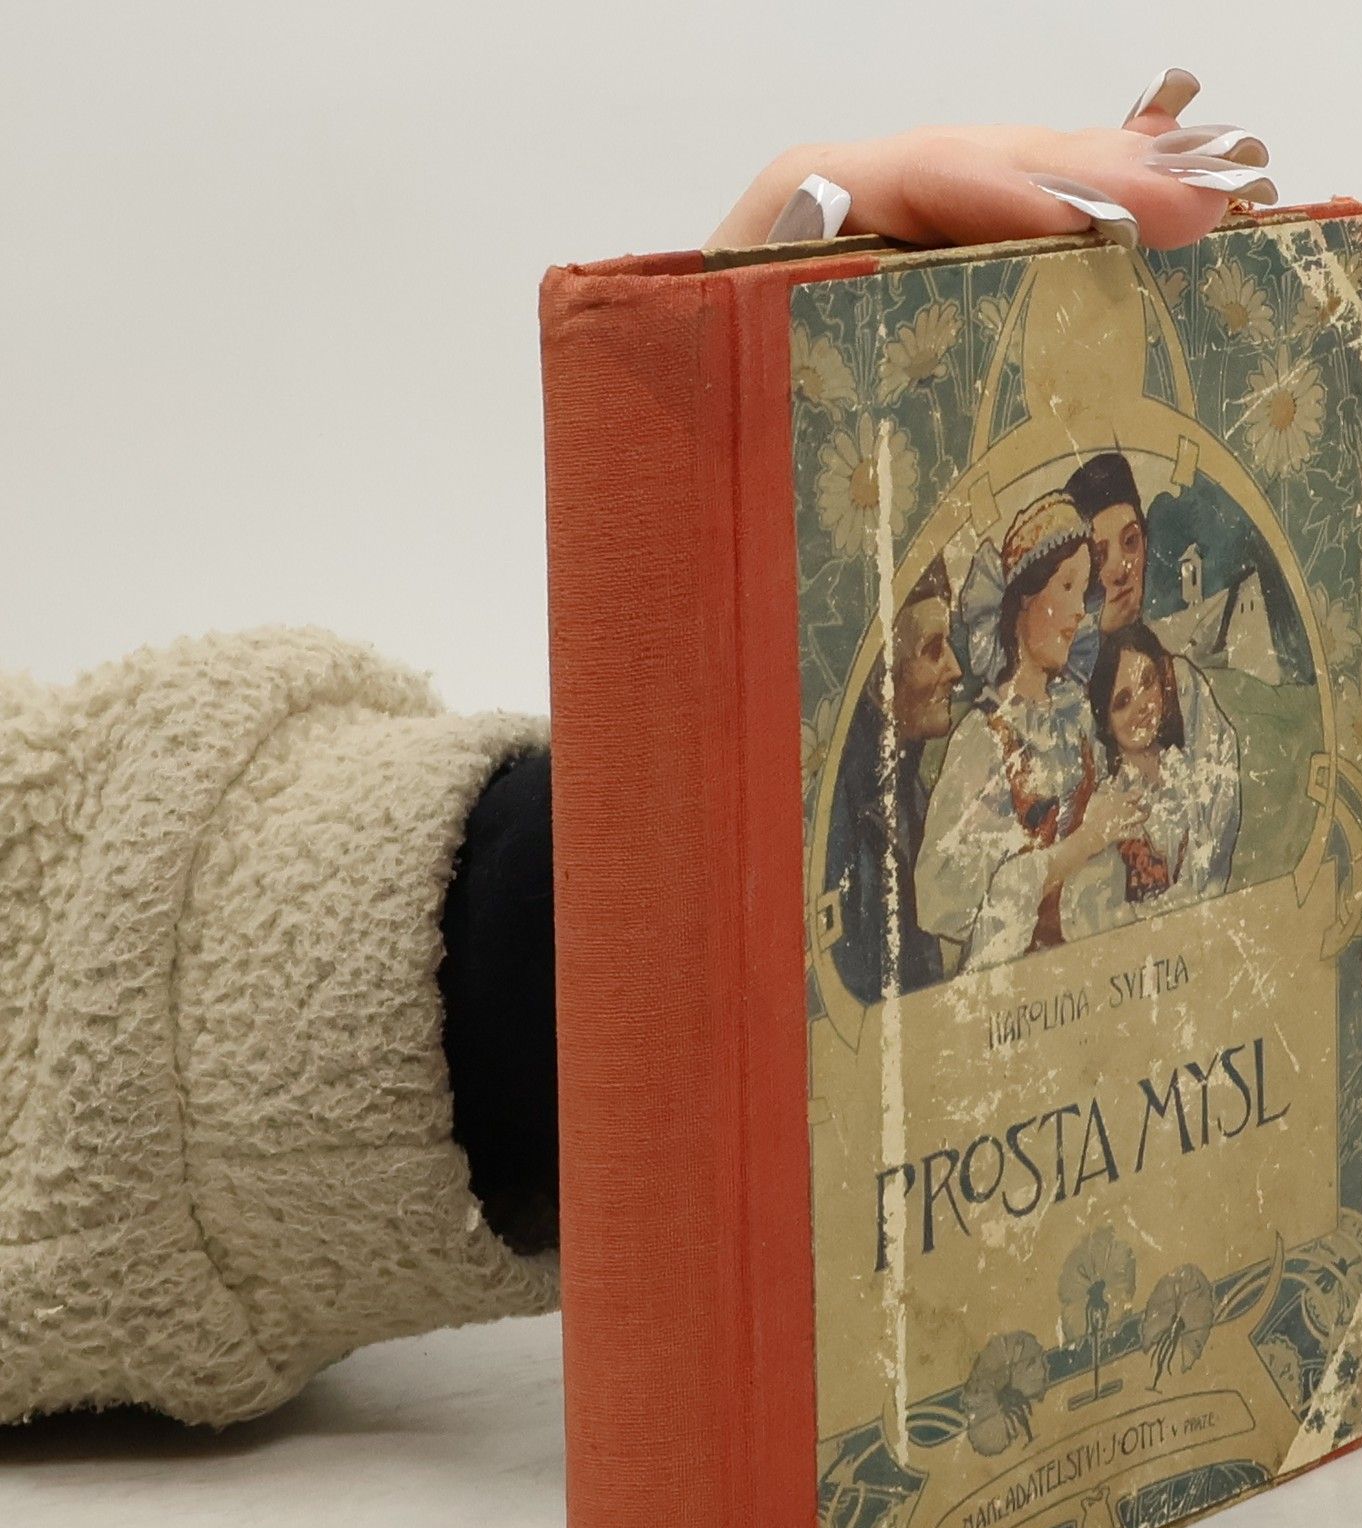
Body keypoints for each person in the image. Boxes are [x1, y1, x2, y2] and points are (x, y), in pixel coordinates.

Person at [0, 81, 1279, 1426]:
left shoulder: (1106, 709)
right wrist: (592, 944)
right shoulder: (967, 749)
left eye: (1102, 576)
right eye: (1066, 583)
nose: (1088, 603)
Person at [914, 494, 1149, 970]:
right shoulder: (983, 738)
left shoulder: (1076, 718)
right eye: (1066, 586)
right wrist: (1077, 847)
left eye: (1082, 591)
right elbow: (937, 896)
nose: (1078, 611)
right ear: (1024, 599)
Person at [823, 554, 964, 1003]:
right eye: (933, 649)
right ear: (879, 680)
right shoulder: (847, 812)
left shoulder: (906, 789)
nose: (956, 669)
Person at [1061, 619, 1241, 937]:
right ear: (1106, 723)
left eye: (1147, 682)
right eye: (1123, 701)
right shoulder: (1106, 807)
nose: (1142, 705)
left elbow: (1214, 865)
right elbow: (1091, 924)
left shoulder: (1193, 777)